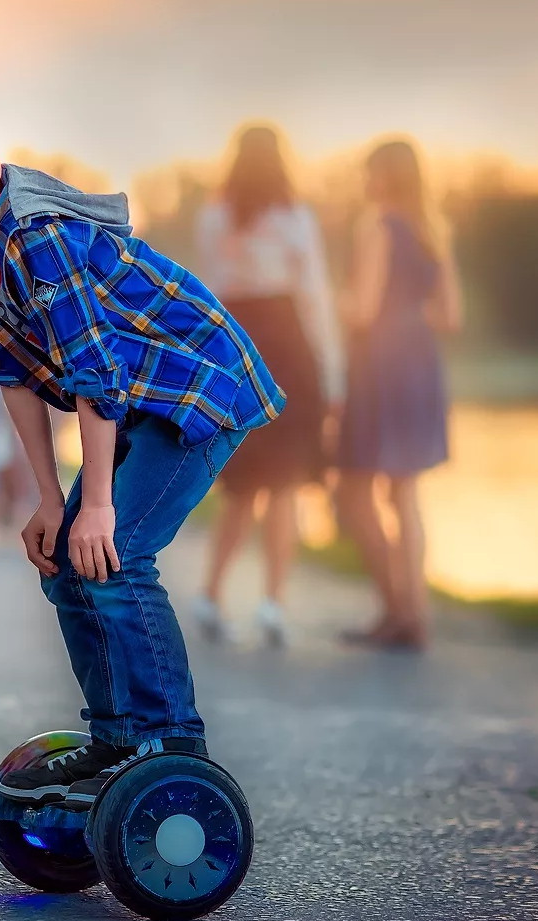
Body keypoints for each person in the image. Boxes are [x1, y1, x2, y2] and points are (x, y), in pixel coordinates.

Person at [0, 99, 284, 808]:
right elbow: (11, 367)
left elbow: (93, 373)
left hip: (194, 389)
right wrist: (51, 500)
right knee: (65, 554)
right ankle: (118, 737)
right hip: (128, 399)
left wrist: (96, 503)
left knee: (115, 547)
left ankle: (172, 748)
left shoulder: (39, 234)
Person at [192, 124, 344, 648]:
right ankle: (273, 604)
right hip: (288, 347)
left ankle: (211, 595)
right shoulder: (295, 217)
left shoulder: (214, 217)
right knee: (284, 485)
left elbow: (208, 293)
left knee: (241, 485)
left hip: (238, 346)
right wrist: (332, 375)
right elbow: (315, 297)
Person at [335, 138, 462, 651]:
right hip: (422, 362)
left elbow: (361, 310)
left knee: (355, 489)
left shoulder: (379, 226)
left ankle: (395, 610)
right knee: (405, 493)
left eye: (370, 172)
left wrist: (327, 299)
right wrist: (411, 316)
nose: (366, 181)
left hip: (381, 363)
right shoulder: (435, 231)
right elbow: (452, 317)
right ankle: (415, 615)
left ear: (385, 176)